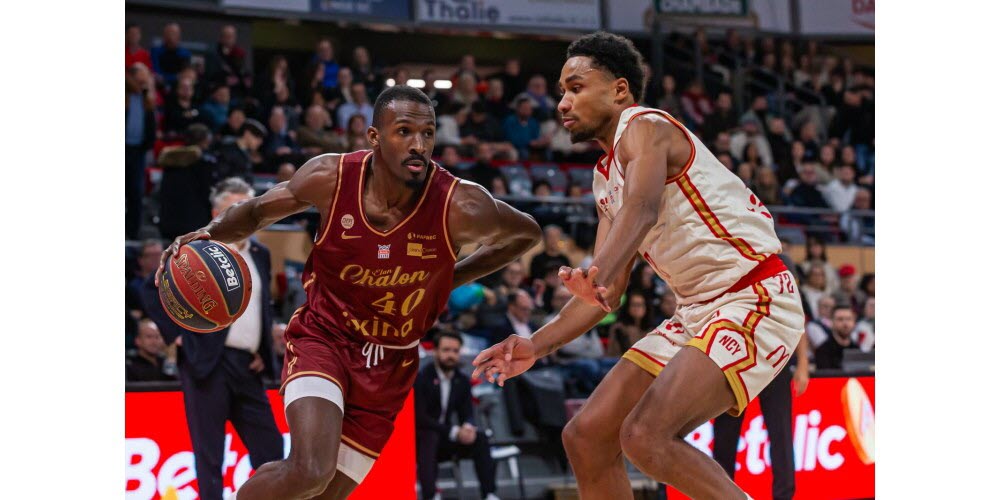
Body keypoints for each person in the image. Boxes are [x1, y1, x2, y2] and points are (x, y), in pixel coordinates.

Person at [157, 85, 541, 499]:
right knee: (310, 470)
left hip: (391, 360)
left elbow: (526, 234)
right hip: (326, 336)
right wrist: (209, 232)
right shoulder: (331, 177)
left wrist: (450, 277)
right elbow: (256, 211)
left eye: (427, 134)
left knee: (325, 495)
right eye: (404, 131)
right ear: (374, 137)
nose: (418, 145)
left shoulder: (460, 204)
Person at [472, 32, 805, 499]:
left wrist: (597, 271)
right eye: (561, 92)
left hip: (754, 294)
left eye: (576, 87)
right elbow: (603, 297)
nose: (563, 103)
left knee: (645, 436)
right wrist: (535, 344)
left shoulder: (646, 126)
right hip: (695, 312)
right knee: (586, 436)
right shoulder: (604, 177)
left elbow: (643, 209)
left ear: (620, 90)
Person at [142, 178, 284, 500]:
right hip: (206, 361)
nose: (244, 215)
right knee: (210, 457)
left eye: (249, 208)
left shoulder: (259, 252)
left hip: (248, 365)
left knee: (272, 448)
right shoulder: (196, 249)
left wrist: (262, 348)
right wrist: (176, 334)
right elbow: (151, 289)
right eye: (235, 208)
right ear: (217, 212)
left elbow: (261, 307)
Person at [712, 336, 810, 500]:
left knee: (781, 435)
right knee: (725, 437)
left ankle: (784, 497)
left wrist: (803, 364)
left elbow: (798, 321)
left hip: (774, 358)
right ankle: (721, 495)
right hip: (734, 358)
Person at [414, 331, 499, 500]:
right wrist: (454, 431)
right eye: (446, 350)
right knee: (429, 436)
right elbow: (420, 418)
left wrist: (467, 426)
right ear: (436, 352)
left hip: (445, 440)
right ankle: (430, 495)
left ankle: (489, 494)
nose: (451, 355)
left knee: (480, 438)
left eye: (455, 351)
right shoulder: (422, 378)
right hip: (420, 441)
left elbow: (467, 412)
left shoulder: (461, 380)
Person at [125, 62, 157, 240]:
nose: (146, 79)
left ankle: (132, 233)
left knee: (136, 193)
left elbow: (151, 125)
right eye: (143, 75)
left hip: (138, 152)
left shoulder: (146, 99)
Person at [813, 305, 859, 369]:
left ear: (854, 322)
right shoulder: (823, 351)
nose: (845, 323)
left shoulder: (857, 350)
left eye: (849, 319)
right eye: (840, 319)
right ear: (832, 322)